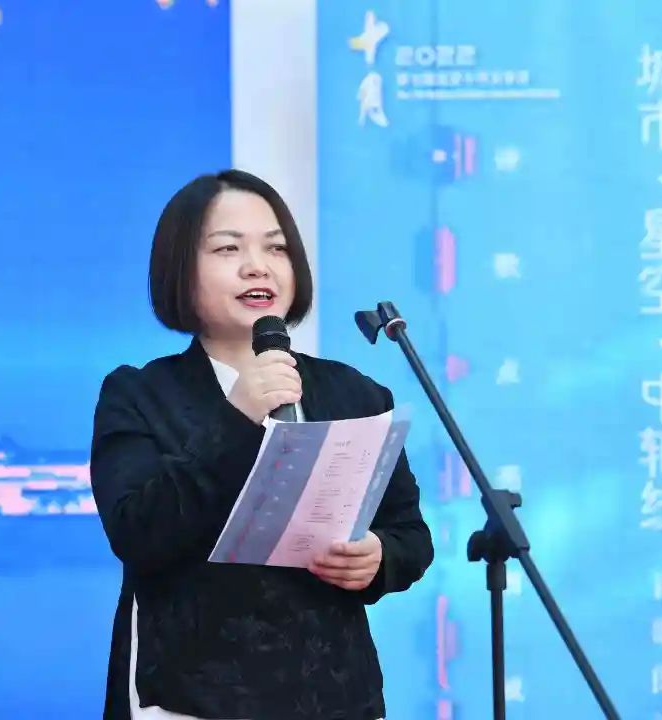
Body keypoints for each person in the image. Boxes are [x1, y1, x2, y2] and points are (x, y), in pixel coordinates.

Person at [89, 169, 433, 720]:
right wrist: (238, 417)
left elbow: (409, 533)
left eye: (276, 248)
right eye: (228, 248)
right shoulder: (139, 394)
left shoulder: (355, 392)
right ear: (181, 269)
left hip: (336, 697)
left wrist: (380, 558)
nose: (258, 265)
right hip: (189, 698)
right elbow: (137, 531)